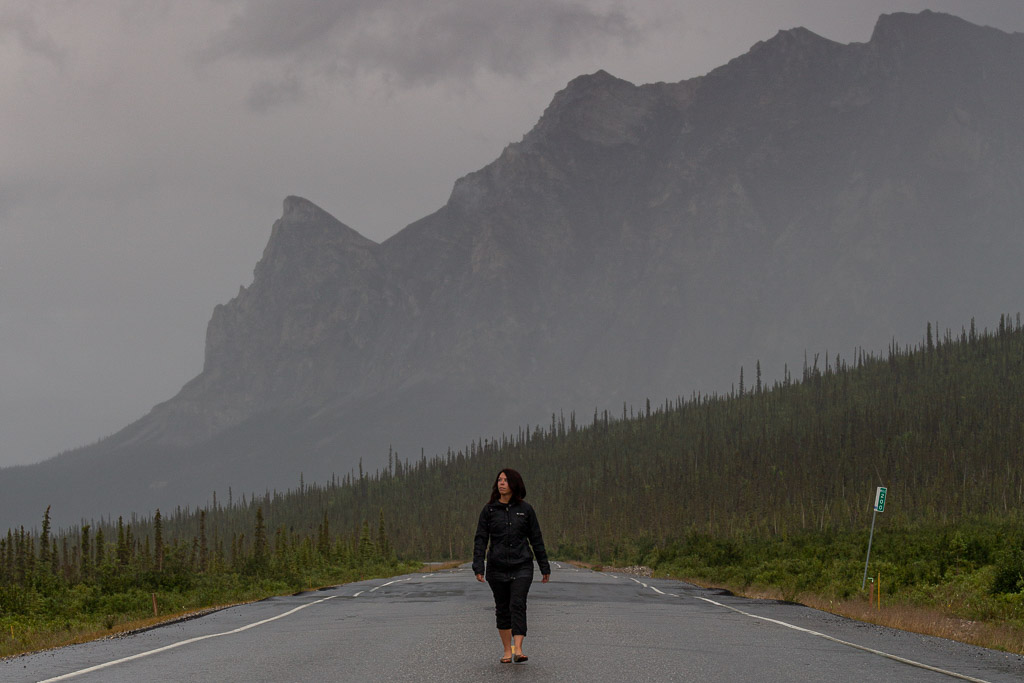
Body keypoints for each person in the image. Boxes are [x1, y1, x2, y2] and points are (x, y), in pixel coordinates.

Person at [473, 468, 550, 664]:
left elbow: (536, 539)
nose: (502, 483)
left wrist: (544, 566)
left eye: (506, 480)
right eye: (499, 480)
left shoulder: (526, 510)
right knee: (502, 608)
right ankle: (507, 651)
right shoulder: (489, 510)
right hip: (496, 567)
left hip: (522, 565)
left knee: (517, 603)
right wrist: (478, 566)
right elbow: (481, 539)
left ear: (514, 484)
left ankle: (519, 649)